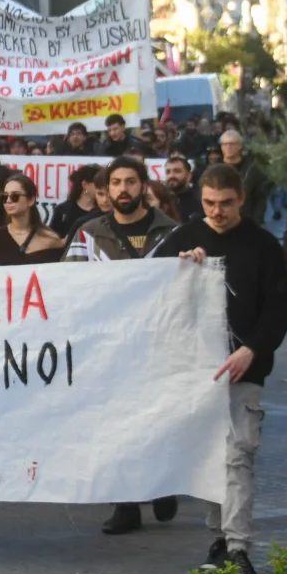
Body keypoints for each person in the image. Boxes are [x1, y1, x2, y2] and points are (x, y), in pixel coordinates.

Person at [155, 163, 287, 574]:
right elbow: (149, 290)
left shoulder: (265, 246)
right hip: (195, 372)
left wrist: (253, 348)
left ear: (241, 200)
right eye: (210, 204)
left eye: (226, 204)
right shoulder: (182, 238)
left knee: (238, 457)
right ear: (201, 200)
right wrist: (177, 270)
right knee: (214, 458)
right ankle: (219, 539)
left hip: (243, 371)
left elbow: (278, 309)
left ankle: (238, 546)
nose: (217, 212)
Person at [63, 157, 180, 536]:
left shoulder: (173, 233)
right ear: (106, 189)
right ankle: (125, 503)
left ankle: (162, 484)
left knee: (159, 419)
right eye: (115, 183)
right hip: (108, 347)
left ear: (144, 185)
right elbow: (67, 285)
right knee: (115, 424)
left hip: (159, 344)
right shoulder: (88, 234)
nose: (123, 189)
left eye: (130, 181)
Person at [0, 172, 67, 265]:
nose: (8, 201)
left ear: (31, 200)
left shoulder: (51, 240)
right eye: (5, 197)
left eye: (15, 196)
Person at [219, 130, 271, 226]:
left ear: (240, 146)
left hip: (245, 220)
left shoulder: (251, 168)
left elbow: (260, 197)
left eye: (232, 144)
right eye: (225, 144)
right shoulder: (214, 168)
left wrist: (256, 222)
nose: (228, 147)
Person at [48, 164, 100, 239]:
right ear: (85, 185)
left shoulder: (103, 209)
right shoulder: (63, 210)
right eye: (98, 183)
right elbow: (52, 237)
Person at [164, 155, 201, 224]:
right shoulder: (162, 201)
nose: (171, 175)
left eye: (177, 171)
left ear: (189, 176)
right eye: (168, 172)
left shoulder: (199, 201)